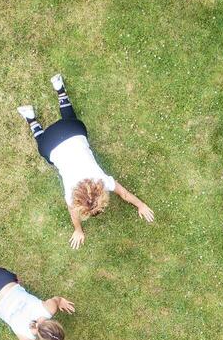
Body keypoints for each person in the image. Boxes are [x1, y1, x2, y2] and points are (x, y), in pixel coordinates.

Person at [17, 73, 155, 249]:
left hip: (73, 130)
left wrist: (141, 205)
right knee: (45, 150)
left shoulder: (103, 182)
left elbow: (124, 194)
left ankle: (58, 88)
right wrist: (78, 229)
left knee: (71, 122)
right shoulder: (70, 194)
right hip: (52, 142)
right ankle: (31, 116)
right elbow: (74, 213)